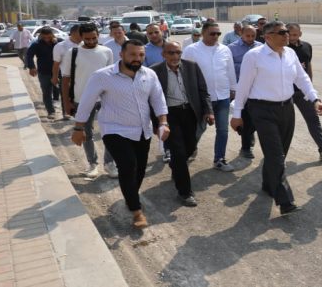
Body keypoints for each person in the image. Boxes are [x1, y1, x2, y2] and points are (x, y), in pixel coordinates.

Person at [231, 21, 322, 216]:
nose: (286, 35)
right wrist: (237, 114)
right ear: (267, 37)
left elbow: (302, 78)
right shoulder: (254, 56)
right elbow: (243, 86)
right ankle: (285, 201)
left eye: (286, 32)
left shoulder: (290, 53)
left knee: (280, 151)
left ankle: (269, 184)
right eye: (282, 32)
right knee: (276, 155)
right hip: (262, 110)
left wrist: (314, 99)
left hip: (286, 108)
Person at [71, 40, 169, 229]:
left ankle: (130, 194)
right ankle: (136, 211)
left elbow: (158, 99)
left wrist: (163, 122)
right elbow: (87, 101)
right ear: (121, 55)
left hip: (143, 130)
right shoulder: (103, 76)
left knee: (140, 169)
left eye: (141, 55)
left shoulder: (149, 74)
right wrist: (78, 128)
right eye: (132, 54)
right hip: (114, 129)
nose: (137, 58)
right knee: (128, 166)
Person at [151, 41, 214, 207]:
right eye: (171, 53)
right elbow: (149, 99)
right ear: (163, 54)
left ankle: (176, 166)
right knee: (178, 152)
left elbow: (203, 91)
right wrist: (156, 123)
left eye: (178, 52)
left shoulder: (192, 67)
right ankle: (185, 192)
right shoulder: (154, 71)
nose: (175, 56)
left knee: (190, 147)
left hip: (190, 113)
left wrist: (208, 111)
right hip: (168, 115)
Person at [61, 23, 116, 179]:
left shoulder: (107, 51)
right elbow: (65, 79)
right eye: (87, 39)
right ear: (81, 37)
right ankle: (92, 164)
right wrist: (66, 103)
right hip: (81, 99)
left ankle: (109, 163)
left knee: (111, 132)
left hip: (105, 98)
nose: (91, 41)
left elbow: (112, 76)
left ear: (98, 35)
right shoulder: (73, 53)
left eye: (94, 38)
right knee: (86, 133)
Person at [183, 22, 237, 172]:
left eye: (218, 34)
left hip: (223, 97)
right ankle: (187, 153)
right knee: (198, 130)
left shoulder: (225, 50)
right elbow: (184, 73)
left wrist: (234, 88)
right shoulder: (191, 50)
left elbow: (230, 70)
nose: (215, 36)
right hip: (201, 99)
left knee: (223, 130)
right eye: (212, 33)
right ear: (203, 33)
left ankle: (219, 159)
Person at [286, 23, 322, 161]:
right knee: (284, 124)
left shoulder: (307, 46)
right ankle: (277, 154)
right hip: (285, 93)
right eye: (289, 34)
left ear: (300, 34)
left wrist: (310, 89)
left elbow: (308, 67)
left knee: (313, 119)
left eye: (295, 34)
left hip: (302, 91)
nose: (292, 37)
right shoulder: (283, 49)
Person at [228, 25, 262, 158]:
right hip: (241, 89)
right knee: (245, 118)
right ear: (241, 34)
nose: (250, 38)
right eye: (248, 35)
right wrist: (246, 66)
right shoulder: (231, 48)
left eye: (253, 36)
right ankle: (246, 148)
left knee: (257, 119)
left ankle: (248, 134)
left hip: (257, 89)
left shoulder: (261, 47)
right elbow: (229, 67)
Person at [25, 27, 58, 120]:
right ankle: (51, 111)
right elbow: (29, 55)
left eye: (48, 37)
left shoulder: (58, 43)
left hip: (58, 71)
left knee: (58, 89)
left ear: (52, 35)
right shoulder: (36, 44)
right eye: (44, 37)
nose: (46, 39)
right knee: (46, 92)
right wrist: (32, 67)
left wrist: (56, 42)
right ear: (41, 36)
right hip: (43, 72)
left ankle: (63, 109)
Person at [53, 24, 81, 120]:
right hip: (66, 77)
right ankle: (66, 113)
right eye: (80, 33)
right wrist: (55, 77)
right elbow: (56, 63)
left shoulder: (85, 45)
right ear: (73, 33)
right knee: (66, 95)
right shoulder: (61, 46)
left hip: (82, 76)